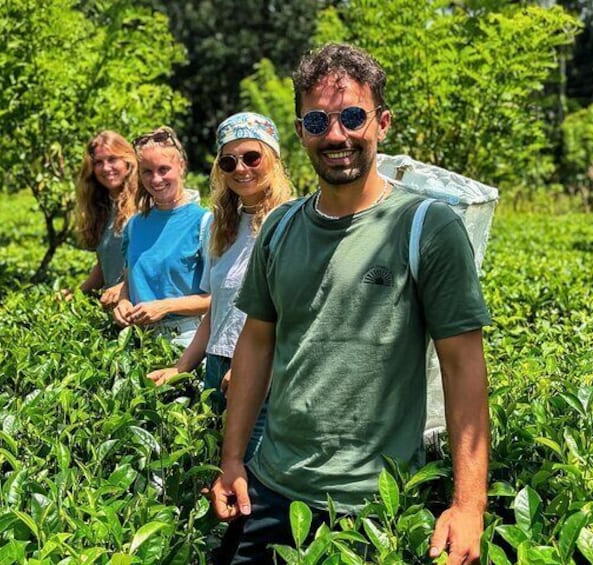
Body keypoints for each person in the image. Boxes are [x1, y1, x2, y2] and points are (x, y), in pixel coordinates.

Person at [210, 43, 491, 565]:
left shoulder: (427, 228)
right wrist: (232, 459)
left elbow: (463, 367)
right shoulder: (279, 227)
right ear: (300, 132)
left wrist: (468, 504)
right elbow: (255, 343)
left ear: (381, 123)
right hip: (271, 486)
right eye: (318, 120)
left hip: (375, 506)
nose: (335, 135)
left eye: (352, 117)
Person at [147, 112, 293, 461]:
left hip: (264, 368)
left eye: (252, 157)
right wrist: (181, 368)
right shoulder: (218, 225)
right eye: (229, 161)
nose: (241, 168)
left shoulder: (288, 221)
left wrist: (249, 367)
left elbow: (292, 312)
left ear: (272, 159)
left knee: (251, 470)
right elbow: (217, 311)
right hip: (217, 363)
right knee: (216, 469)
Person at [113, 126, 211, 347]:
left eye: (163, 169)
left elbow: (217, 298)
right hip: (138, 340)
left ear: (181, 167)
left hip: (187, 339)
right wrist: (123, 302)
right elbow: (128, 282)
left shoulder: (204, 222)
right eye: (147, 171)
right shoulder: (134, 226)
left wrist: (165, 307)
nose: (156, 179)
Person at [55, 131, 137, 307]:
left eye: (112, 159)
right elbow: (104, 267)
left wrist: (124, 286)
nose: (106, 168)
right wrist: (77, 293)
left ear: (128, 162)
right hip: (112, 308)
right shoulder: (104, 208)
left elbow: (159, 261)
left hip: (142, 308)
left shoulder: (144, 204)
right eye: (99, 162)